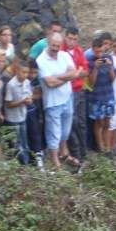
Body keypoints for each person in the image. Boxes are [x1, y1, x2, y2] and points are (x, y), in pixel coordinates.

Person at [36, 32, 77, 168]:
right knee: (53, 132)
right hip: (53, 101)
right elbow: (50, 83)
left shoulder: (64, 55)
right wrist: (67, 77)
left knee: (65, 130)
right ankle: (55, 161)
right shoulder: (41, 60)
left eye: (58, 46)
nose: (55, 48)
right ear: (48, 43)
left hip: (67, 97)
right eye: (53, 45)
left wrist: (58, 77)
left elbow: (74, 73)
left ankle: (63, 152)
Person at [61, 26, 89, 164]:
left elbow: (85, 71)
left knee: (81, 123)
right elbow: (65, 74)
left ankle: (83, 152)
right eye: (70, 38)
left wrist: (75, 73)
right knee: (71, 123)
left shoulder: (78, 50)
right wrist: (77, 72)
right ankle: (76, 154)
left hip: (79, 90)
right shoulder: (61, 52)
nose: (72, 42)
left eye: (75, 39)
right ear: (65, 37)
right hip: (68, 91)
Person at [86, 35, 115, 153]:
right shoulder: (89, 62)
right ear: (92, 49)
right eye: (97, 51)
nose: (99, 54)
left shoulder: (108, 58)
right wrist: (96, 68)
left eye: (101, 51)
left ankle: (108, 148)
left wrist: (110, 67)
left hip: (108, 95)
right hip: (96, 98)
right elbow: (91, 83)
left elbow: (113, 79)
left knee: (108, 122)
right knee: (99, 123)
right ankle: (101, 147)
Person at [3, 58, 32, 164]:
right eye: (23, 72)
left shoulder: (27, 82)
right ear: (16, 71)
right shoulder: (11, 84)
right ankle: (21, 165)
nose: (25, 75)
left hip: (22, 116)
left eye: (27, 72)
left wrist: (29, 100)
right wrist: (22, 101)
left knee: (24, 143)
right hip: (12, 119)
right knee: (16, 144)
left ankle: (26, 165)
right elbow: (9, 103)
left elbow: (29, 96)